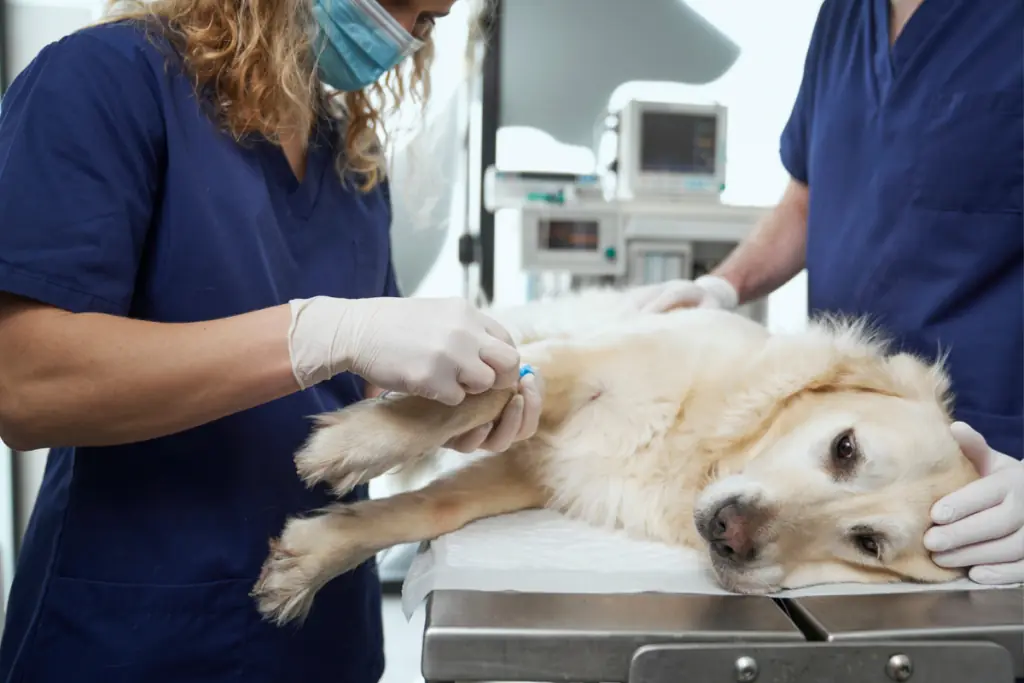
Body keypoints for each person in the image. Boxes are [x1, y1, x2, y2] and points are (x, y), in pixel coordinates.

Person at [0, 1, 543, 681]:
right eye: (408, 5)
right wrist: (318, 332)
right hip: (139, 635)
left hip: (321, 635)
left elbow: (367, 381)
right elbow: (25, 385)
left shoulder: (348, 157)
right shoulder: (105, 81)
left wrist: (448, 405)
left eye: (431, 19)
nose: (415, 28)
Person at [636, 0, 1024, 587]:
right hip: (828, 481)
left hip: (986, 490)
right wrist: (722, 286)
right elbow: (807, 196)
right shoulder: (846, 14)